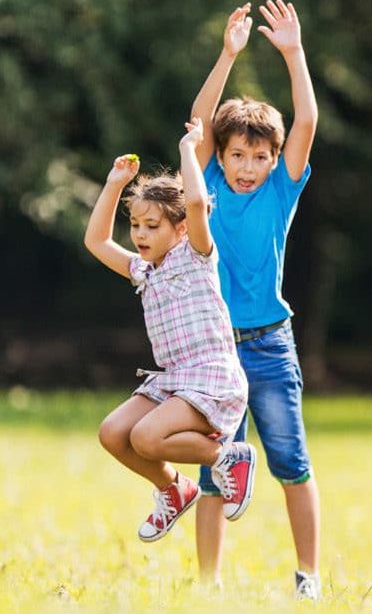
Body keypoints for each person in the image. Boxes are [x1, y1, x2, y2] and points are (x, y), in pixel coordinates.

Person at [188, 0, 322, 599]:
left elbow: (306, 122)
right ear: (221, 158)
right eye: (237, 155)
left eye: (260, 157)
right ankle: (208, 585)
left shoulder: (280, 191)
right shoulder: (209, 184)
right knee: (214, 469)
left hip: (269, 345)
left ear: (274, 160)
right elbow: (199, 123)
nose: (248, 166)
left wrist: (294, 54)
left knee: (291, 461)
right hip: (215, 351)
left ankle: (308, 577)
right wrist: (228, 55)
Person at [84, 120, 256, 545]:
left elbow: (195, 201)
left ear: (179, 229)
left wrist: (188, 148)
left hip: (212, 376)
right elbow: (97, 241)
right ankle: (174, 489)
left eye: (152, 225)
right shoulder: (143, 270)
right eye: (136, 225)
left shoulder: (195, 256)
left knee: (146, 437)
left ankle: (227, 456)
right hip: (175, 379)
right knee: (113, 433)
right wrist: (114, 184)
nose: (140, 234)